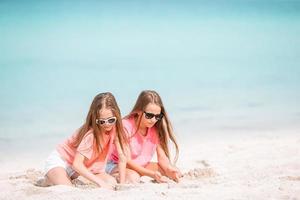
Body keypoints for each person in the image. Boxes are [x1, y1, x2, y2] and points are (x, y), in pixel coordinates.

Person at [42, 92, 127, 189]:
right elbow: (77, 164)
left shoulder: (116, 129)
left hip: (82, 167)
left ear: (116, 115)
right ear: (95, 118)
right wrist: (100, 183)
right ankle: (50, 179)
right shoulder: (91, 135)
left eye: (111, 120)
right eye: (101, 121)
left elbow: (122, 157)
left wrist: (122, 183)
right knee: (67, 189)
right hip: (63, 161)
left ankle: (59, 178)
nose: (107, 124)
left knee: (111, 181)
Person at [106, 90, 181, 183]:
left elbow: (162, 157)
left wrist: (168, 168)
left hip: (141, 165)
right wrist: (150, 174)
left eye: (158, 116)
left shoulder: (155, 129)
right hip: (117, 164)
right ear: (138, 111)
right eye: (149, 115)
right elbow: (127, 161)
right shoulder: (125, 126)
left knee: (175, 172)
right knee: (133, 177)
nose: (153, 120)